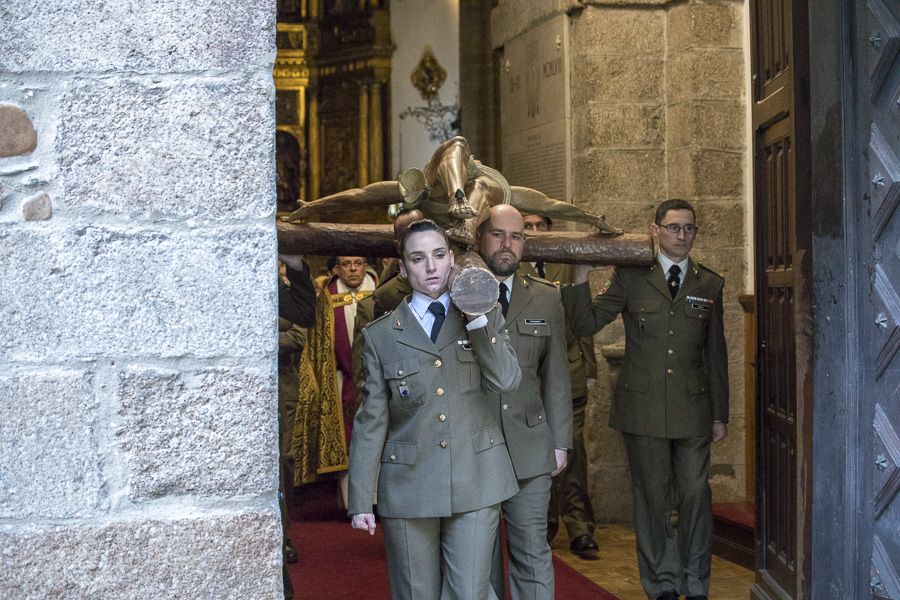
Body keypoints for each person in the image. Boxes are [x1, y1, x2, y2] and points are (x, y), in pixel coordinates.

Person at [561, 199, 728, 600]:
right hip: (643, 408)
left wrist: (720, 414)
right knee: (652, 498)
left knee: (695, 494)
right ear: (655, 231)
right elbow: (585, 322)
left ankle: (695, 582)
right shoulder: (632, 276)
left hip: (693, 408)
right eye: (674, 227)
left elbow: (716, 354)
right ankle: (663, 584)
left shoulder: (709, 283)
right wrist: (581, 275)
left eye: (689, 228)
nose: (682, 236)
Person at [348, 219, 522, 600]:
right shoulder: (381, 335)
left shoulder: (484, 312)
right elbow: (371, 421)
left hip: (476, 476)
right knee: (415, 593)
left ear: (452, 260)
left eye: (439, 255)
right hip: (409, 484)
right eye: (418, 258)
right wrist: (360, 498)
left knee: (469, 593)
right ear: (402, 268)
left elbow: (507, 379)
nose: (431, 267)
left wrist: (475, 315)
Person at [476, 205, 573, 600]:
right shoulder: (459, 291)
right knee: (478, 558)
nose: (507, 244)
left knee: (532, 550)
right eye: (498, 234)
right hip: (476, 445)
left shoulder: (546, 297)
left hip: (530, 444)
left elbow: (556, 374)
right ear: (480, 237)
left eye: (516, 237)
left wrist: (560, 440)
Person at [519, 214, 600, 558]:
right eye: (529, 226)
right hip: (530, 377)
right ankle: (546, 525)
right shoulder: (513, 267)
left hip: (570, 370)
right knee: (540, 454)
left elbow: (582, 318)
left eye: (542, 226)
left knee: (573, 452)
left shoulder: (566, 265)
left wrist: (590, 367)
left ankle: (580, 528)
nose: (536, 232)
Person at [292, 256, 376, 505]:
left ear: (365, 266)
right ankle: (353, 502)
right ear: (337, 269)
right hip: (341, 380)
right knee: (348, 438)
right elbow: (318, 345)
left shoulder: (380, 291)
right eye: (346, 264)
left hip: (378, 379)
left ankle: (379, 498)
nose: (353, 269)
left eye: (358, 263)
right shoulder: (327, 299)